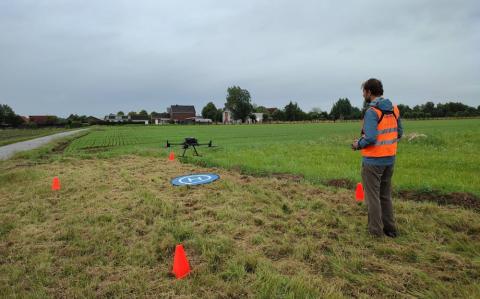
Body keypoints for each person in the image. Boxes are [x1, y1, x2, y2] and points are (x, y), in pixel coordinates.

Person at [351, 78, 403, 238]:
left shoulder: (372, 112)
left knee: (372, 197)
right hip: (390, 159)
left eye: (364, 91)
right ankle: (390, 229)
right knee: (385, 195)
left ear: (369, 92)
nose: (363, 94)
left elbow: (371, 137)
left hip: (373, 161)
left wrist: (358, 144)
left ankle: (375, 231)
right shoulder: (394, 109)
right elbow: (399, 133)